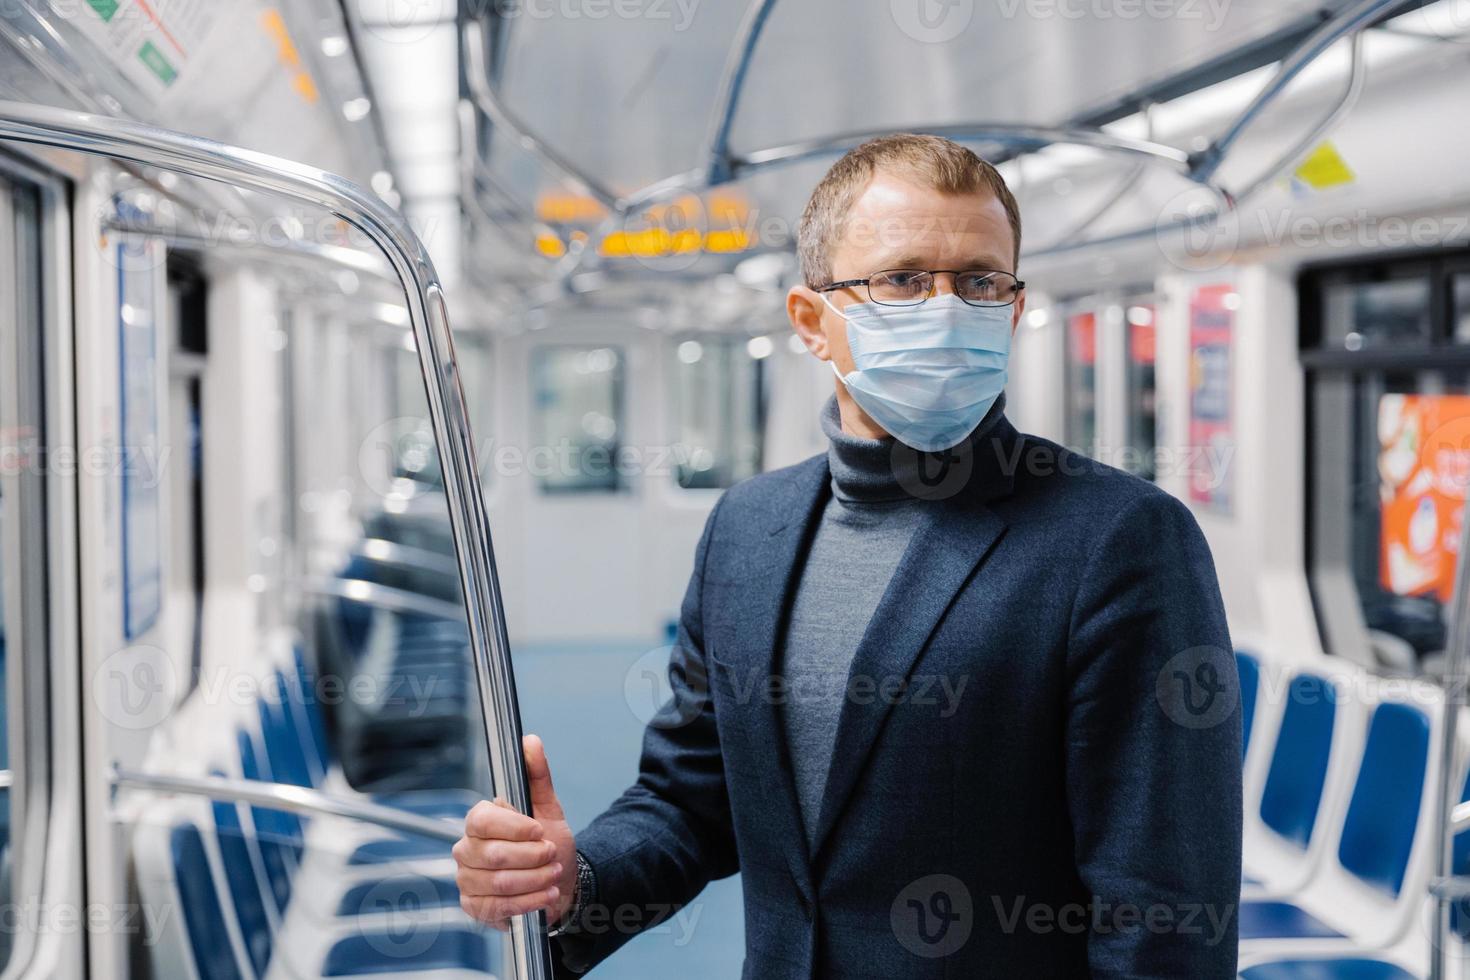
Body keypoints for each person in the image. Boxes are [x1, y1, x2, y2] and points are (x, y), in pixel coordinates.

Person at [453, 133, 1242, 978]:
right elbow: (692, 798)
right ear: (811, 322)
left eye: (979, 280)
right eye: (903, 280)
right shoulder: (748, 529)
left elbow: (1161, 921)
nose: (947, 309)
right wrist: (576, 878)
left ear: (1013, 309)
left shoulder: (1118, 541)